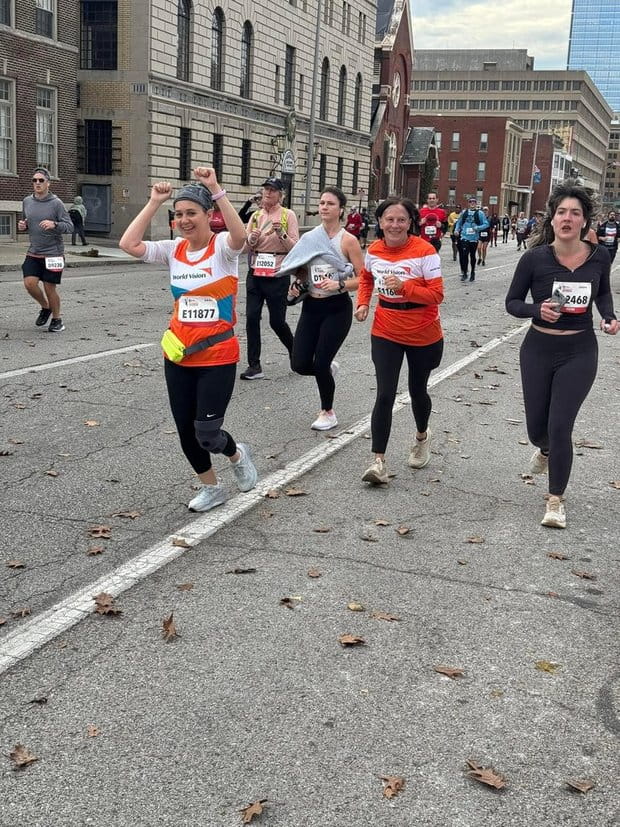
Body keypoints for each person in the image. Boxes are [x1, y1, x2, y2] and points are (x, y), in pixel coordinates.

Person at [119, 167, 258, 513]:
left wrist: (215, 188)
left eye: (191, 213)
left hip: (217, 356)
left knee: (207, 433)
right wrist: (154, 201)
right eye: (179, 214)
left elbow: (240, 237)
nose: (184, 220)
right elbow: (128, 244)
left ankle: (236, 454)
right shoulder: (173, 250)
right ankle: (211, 488)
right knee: (186, 431)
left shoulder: (222, 248)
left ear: (209, 215)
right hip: (179, 355)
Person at [505, 179, 617, 529]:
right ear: (552, 218)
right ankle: (544, 449)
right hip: (538, 349)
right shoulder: (534, 259)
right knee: (538, 430)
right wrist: (536, 310)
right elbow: (512, 303)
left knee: (560, 425)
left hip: (579, 351)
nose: (568, 218)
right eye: (562, 212)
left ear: (585, 221)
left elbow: (603, 293)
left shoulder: (599, 256)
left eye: (575, 213)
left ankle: (555, 501)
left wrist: (609, 316)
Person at [355, 197, 444, 485]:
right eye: (389, 219)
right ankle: (378, 462)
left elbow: (437, 295)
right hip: (386, 330)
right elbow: (366, 278)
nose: (395, 225)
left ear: (410, 223)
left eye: (401, 220)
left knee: (417, 390)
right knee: (385, 394)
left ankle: (421, 436)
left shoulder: (425, 251)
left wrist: (405, 287)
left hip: (423, 331)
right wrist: (363, 303)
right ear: (380, 222)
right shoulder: (374, 250)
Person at [278, 187, 363, 430]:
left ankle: (328, 412)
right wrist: (297, 284)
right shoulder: (310, 238)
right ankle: (326, 370)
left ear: (341, 209)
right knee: (299, 364)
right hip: (312, 306)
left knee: (321, 362)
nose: (324, 207)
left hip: (337, 308)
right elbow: (302, 269)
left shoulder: (348, 240)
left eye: (330, 204)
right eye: (322, 203)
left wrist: (340, 284)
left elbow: (364, 278)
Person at [241, 178, 299, 380]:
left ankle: (295, 352)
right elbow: (244, 247)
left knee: (277, 321)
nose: (268, 193)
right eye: (266, 189)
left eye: (273, 190)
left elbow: (295, 247)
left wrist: (281, 233)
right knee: (251, 318)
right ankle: (254, 365)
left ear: (281, 195)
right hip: (256, 272)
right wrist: (251, 240)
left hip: (277, 273)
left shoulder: (287, 215)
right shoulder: (256, 216)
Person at [18, 167, 73, 333]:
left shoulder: (56, 203)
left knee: (50, 288)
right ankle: (45, 307)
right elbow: (28, 222)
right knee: (29, 284)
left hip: (53, 254)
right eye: (34, 180)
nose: (37, 183)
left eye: (41, 180)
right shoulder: (27, 201)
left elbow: (69, 226)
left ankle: (57, 320)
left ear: (48, 183)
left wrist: (54, 224)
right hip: (34, 251)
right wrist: (23, 226)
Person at [454, 197, 489, 282]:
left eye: (474, 202)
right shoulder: (464, 212)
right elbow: (459, 223)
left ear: (476, 203)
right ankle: (465, 273)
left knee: (472, 256)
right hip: (464, 237)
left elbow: (486, 224)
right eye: (470, 202)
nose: (472, 203)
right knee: (464, 255)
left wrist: (478, 228)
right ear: (468, 203)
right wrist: (456, 230)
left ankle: (473, 272)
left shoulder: (480, 213)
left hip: (474, 238)